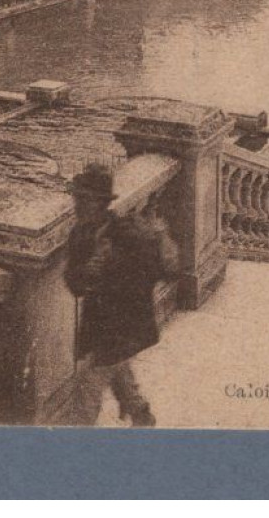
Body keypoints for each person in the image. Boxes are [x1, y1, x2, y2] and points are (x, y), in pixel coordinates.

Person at [63, 163, 176, 427]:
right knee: (116, 368)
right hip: (100, 325)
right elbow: (75, 284)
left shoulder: (128, 233)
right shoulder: (80, 235)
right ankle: (140, 413)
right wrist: (88, 271)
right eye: (77, 198)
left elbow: (156, 273)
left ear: (101, 204)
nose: (78, 205)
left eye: (85, 200)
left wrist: (111, 266)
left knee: (87, 388)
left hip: (125, 324)